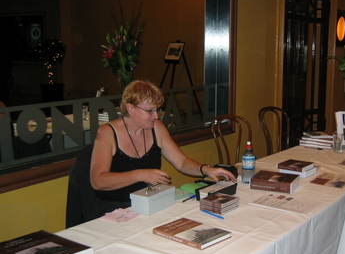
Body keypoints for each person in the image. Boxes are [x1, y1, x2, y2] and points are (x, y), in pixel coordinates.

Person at [90, 80, 236, 213]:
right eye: (150, 111)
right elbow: (98, 181)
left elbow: (181, 162)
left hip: (149, 203)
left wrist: (206, 169)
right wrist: (141, 175)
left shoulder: (156, 127)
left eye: (157, 110)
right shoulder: (107, 132)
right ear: (130, 108)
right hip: (115, 210)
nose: (156, 116)